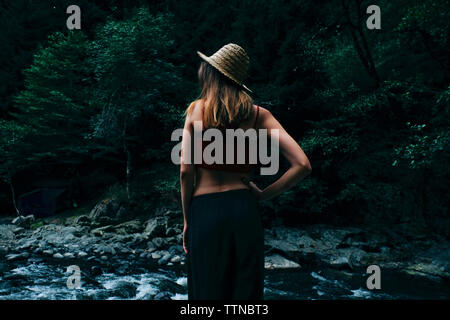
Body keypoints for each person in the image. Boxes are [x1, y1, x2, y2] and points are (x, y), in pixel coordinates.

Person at [179, 43, 312, 300]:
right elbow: (302, 165)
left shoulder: (197, 110)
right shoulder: (259, 115)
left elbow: (186, 171)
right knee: (245, 295)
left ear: (211, 74)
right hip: (243, 209)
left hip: (204, 212)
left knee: (207, 294)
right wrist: (264, 195)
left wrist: (187, 220)